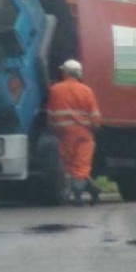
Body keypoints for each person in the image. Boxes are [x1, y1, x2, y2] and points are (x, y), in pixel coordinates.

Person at [47, 59, 103, 205]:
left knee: (69, 166)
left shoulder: (55, 89)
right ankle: (82, 195)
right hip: (84, 134)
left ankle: (86, 192)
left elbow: (51, 115)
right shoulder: (86, 90)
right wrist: (95, 128)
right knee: (81, 166)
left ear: (64, 72)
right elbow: (95, 117)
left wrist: (54, 129)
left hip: (64, 135)